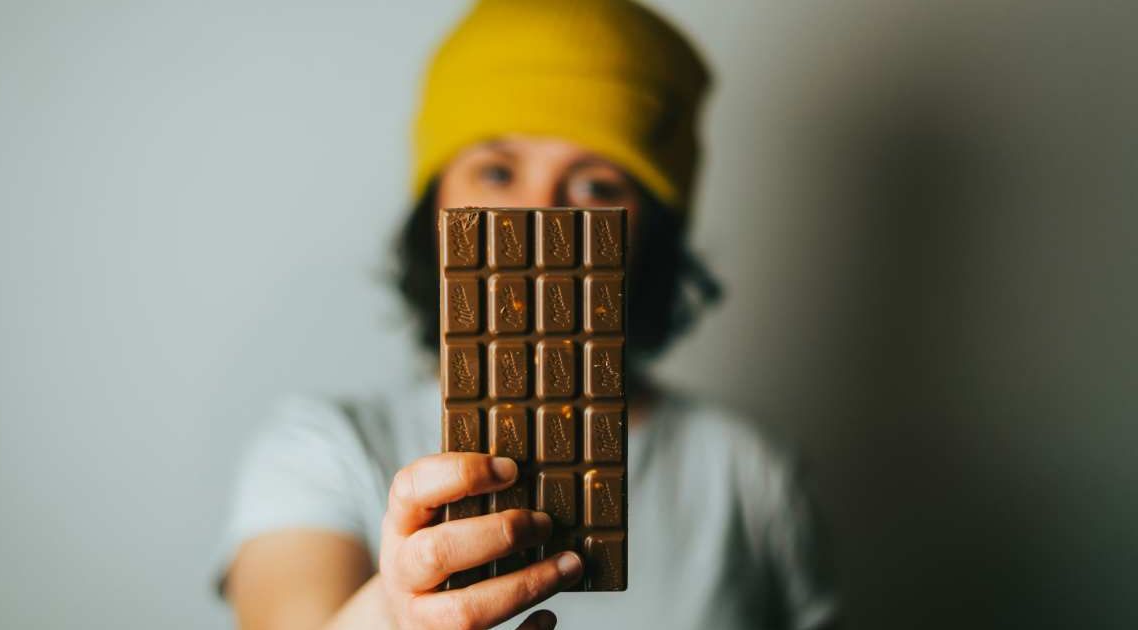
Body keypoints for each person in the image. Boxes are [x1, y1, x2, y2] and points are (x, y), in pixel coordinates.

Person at [213, 1, 840, 629]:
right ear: (435, 212)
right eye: (496, 171)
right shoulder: (324, 450)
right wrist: (393, 617)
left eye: (595, 186)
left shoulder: (749, 475)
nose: (540, 217)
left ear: (650, 236)